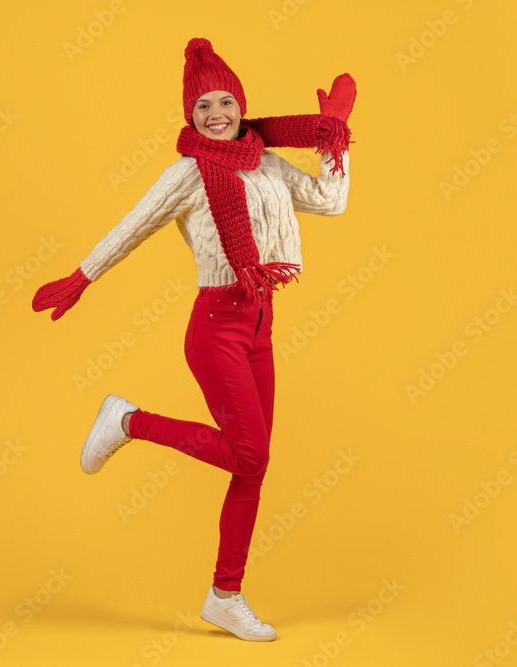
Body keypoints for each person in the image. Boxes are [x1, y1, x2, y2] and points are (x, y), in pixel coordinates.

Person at [32, 37, 356, 642]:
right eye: (202, 105)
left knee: (251, 467)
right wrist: (82, 277)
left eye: (224, 101)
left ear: (240, 103)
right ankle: (127, 422)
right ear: (190, 114)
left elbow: (329, 201)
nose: (215, 114)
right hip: (215, 327)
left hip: (261, 321)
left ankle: (224, 596)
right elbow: (134, 224)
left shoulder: (264, 161)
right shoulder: (187, 172)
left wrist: (334, 135)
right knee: (251, 455)